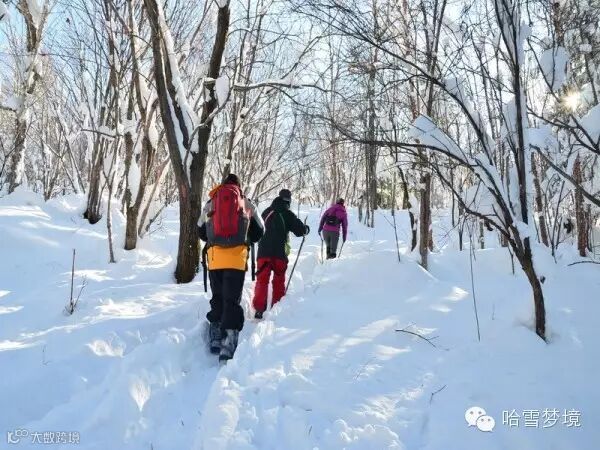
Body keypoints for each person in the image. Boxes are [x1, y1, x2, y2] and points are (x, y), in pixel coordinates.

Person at [198, 174, 264, 362]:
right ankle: (229, 342)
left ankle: (215, 336)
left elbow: (200, 230)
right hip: (236, 259)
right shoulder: (246, 202)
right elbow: (260, 230)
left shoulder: (212, 201)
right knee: (232, 299)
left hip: (215, 259)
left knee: (218, 295)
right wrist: (246, 236)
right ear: (239, 186)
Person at [252, 189, 309, 319]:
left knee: (262, 280)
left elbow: (257, 229)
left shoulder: (266, 212)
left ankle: (259, 310)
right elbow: (299, 230)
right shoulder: (288, 214)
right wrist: (306, 229)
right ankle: (276, 309)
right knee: (278, 280)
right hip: (279, 254)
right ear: (289, 200)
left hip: (263, 252)